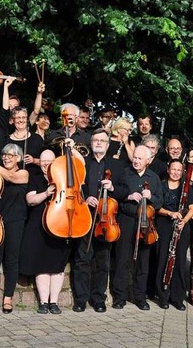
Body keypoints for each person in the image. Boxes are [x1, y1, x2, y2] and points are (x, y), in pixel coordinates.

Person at [71, 129, 128, 313]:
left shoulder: (117, 166)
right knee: (82, 258)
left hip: (106, 220)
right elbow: (74, 187)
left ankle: (98, 299)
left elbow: (125, 191)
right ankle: (80, 299)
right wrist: (86, 198)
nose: (98, 143)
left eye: (102, 141)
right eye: (95, 140)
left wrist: (112, 187)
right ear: (91, 142)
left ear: (108, 145)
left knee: (102, 261)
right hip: (85, 215)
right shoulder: (82, 163)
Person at [111, 145, 163, 311]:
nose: (136, 161)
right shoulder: (124, 173)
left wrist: (151, 197)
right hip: (126, 219)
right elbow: (115, 193)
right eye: (135, 157)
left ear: (148, 161)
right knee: (122, 259)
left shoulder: (154, 178)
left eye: (140, 158)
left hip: (145, 223)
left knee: (143, 261)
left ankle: (140, 297)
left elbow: (160, 202)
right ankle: (120, 297)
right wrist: (128, 196)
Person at [20, 150, 71, 314]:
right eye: (43, 161)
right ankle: (43, 302)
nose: (46, 164)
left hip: (59, 223)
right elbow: (30, 200)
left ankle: (54, 302)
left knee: (57, 265)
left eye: (49, 161)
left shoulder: (62, 176)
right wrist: (46, 193)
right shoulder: (34, 177)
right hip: (39, 225)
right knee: (42, 264)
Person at [0, 143, 29, 313]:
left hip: (16, 220)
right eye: (4, 155)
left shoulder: (23, 173)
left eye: (10, 155)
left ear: (18, 158)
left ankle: (8, 297)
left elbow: (11, 177)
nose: (6, 158)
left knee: (11, 259)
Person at [155, 159, 193, 311]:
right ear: (168, 169)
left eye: (179, 170)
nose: (176, 172)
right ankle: (163, 296)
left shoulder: (185, 188)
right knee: (163, 260)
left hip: (181, 227)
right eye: (173, 169)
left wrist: (184, 221)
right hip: (164, 226)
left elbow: (191, 208)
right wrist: (170, 213)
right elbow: (157, 207)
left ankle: (177, 298)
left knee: (179, 261)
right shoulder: (161, 185)